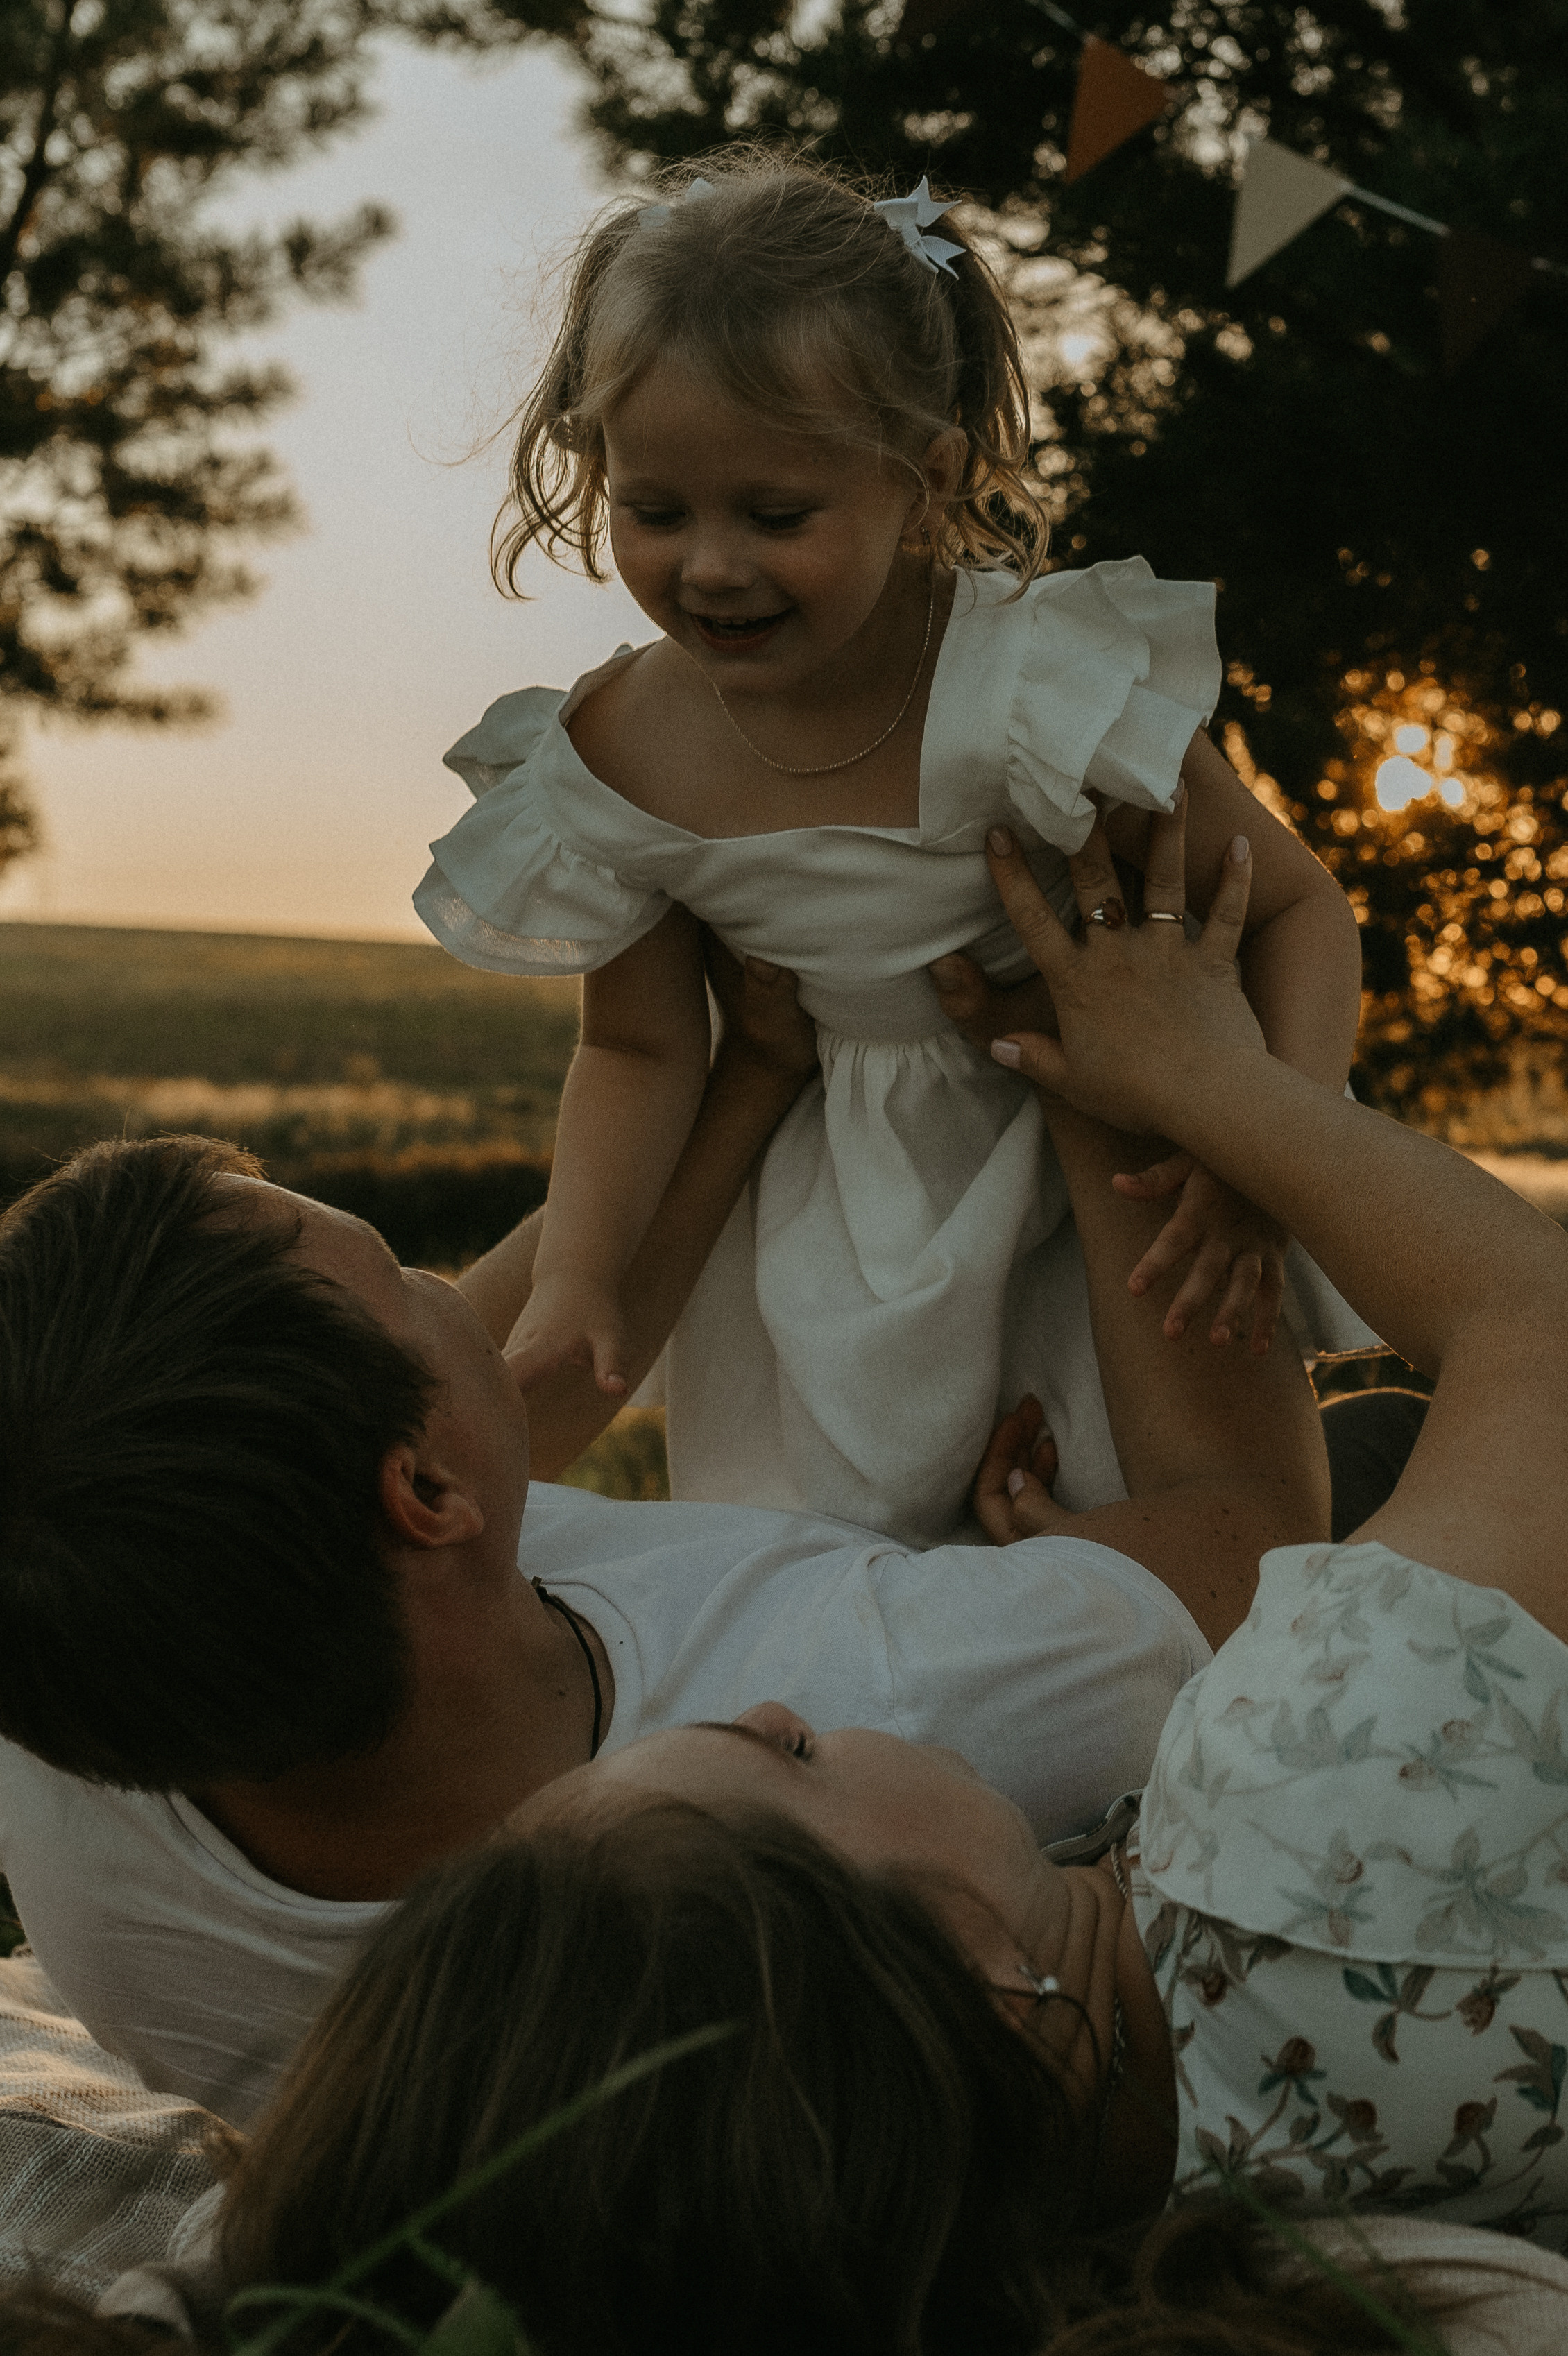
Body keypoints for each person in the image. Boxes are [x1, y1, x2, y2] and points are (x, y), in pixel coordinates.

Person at [207, 801, 1568, 2355]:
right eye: (780, 1753)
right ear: (976, 1972)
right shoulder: (1294, 1790)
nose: (788, 1704)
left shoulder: (1103, 2216)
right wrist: (1198, 1076)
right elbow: (1534, 1326)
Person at [0, 926, 1327, 2132]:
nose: (449, 1289)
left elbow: (481, 1409)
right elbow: (1248, 1535)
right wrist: (1107, 1059)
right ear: (425, 1500)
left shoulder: (78, 1682)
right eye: (404, 1276)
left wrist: (746, 1077)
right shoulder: (872, 1717)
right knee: (1387, 1440)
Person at [414, 148, 1372, 1546]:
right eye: (654, 510)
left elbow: (1292, 910)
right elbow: (633, 1050)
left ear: (920, 481)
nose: (710, 566)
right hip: (830, 1219)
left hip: (1116, 1155)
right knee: (836, 1551)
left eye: (776, 515)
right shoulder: (621, 750)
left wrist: (1262, 1149)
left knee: (1190, 1547)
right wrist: (576, 1274)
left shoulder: (1030, 690)